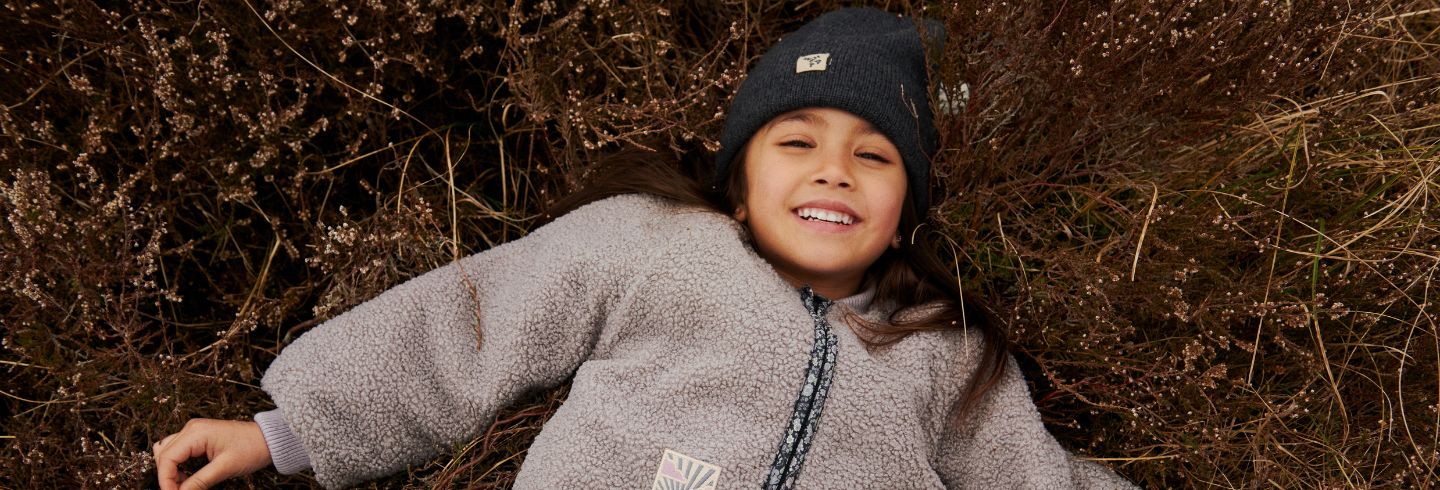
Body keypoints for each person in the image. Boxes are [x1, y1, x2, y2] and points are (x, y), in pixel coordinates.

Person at [154, 8, 1135, 490]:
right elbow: (474, 321)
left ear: (906, 203)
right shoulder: (650, 244)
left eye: (874, 156)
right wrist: (288, 431)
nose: (834, 172)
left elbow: (1029, 474)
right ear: (739, 180)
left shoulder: (941, 347)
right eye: (797, 144)